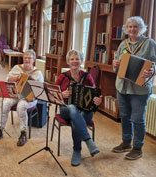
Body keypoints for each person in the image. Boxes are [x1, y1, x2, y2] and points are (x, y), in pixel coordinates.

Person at [112, 16, 156, 160]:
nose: (132, 29)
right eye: (130, 26)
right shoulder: (123, 44)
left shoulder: (149, 43)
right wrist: (115, 65)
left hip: (139, 89)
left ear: (141, 28)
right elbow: (116, 66)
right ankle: (126, 143)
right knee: (124, 116)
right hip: (122, 87)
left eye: (136, 26)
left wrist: (152, 70)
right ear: (126, 29)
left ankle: (137, 148)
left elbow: (154, 64)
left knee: (137, 119)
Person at [55, 49, 102, 166]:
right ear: (68, 62)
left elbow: (96, 93)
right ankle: (88, 140)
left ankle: (77, 151)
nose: (75, 61)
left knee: (77, 118)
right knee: (71, 108)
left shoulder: (87, 76)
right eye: (72, 59)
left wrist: (98, 100)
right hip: (66, 109)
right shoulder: (63, 76)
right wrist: (61, 94)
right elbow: (52, 93)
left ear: (81, 61)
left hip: (85, 111)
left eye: (77, 59)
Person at [0, 50, 44, 146]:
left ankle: (23, 133)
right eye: (25, 57)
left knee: (21, 106)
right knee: (5, 104)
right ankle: (0, 129)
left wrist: (32, 94)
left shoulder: (37, 73)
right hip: (15, 94)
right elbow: (7, 80)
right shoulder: (17, 68)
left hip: (28, 98)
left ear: (34, 60)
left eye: (29, 58)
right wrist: (15, 78)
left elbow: (40, 90)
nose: (27, 60)